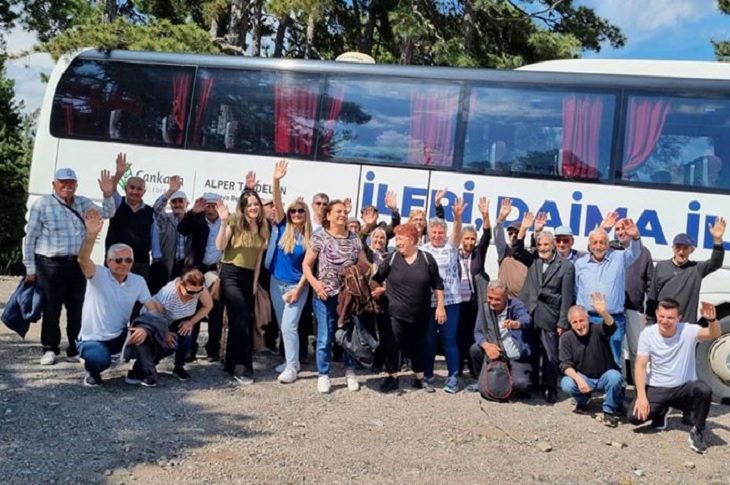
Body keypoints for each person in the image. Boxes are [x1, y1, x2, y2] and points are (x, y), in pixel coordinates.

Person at [23, 167, 116, 365]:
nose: (67, 186)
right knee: (51, 307)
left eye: (71, 183)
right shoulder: (42, 204)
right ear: (54, 185)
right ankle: (50, 348)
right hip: (50, 264)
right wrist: (30, 268)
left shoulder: (83, 203)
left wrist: (108, 194)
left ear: (76, 185)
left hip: (77, 263)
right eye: (62, 182)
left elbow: (108, 212)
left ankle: (75, 348)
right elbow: (30, 238)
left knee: (78, 307)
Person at [629, 299, 722, 454]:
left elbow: (714, 333)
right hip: (657, 387)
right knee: (634, 418)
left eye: (670, 318)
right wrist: (641, 396)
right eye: (662, 316)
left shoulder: (688, 330)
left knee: (704, 390)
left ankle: (698, 431)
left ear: (678, 318)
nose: (665, 321)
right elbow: (640, 365)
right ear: (657, 314)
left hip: (682, 389)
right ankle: (661, 410)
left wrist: (712, 320)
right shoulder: (647, 334)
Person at [75, 209, 156, 387]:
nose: (124, 264)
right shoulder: (98, 274)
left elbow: (153, 308)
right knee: (99, 359)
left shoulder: (138, 281)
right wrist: (90, 235)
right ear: (108, 262)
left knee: (155, 337)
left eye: (128, 260)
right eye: (118, 260)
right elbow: (82, 260)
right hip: (93, 338)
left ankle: (137, 371)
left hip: (120, 336)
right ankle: (92, 370)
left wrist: (150, 328)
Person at [372, 223, 445, 393]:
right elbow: (376, 278)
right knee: (392, 343)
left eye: (400, 239)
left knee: (418, 346)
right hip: (394, 313)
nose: (397, 243)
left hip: (420, 314)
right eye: (396, 239)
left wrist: (440, 307)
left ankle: (419, 378)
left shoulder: (427, 259)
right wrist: (375, 291)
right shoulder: (391, 258)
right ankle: (392, 377)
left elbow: (438, 285)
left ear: (412, 240)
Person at [513, 212, 575, 404]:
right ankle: (531, 385)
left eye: (546, 244)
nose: (542, 248)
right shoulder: (534, 259)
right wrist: (524, 229)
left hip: (550, 315)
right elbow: (516, 251)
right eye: (539, 245)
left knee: (550, 355)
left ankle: (550, 389)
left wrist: (562, 322)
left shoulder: (565, 267)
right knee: (530, 350)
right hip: (529, 312)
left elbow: (566, 296)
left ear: (554, 245)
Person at [303, 199, 363, 394]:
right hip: (324, 295)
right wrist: (315, 284)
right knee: (325, 336)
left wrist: (358, 273)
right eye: (338, 212)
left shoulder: (354, 239)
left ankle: (350, 372)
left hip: (348, 297)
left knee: (348, 335)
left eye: (345, 212)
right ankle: (323, 375)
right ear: (328, 216)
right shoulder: (319, 237)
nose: (342, 215)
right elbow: (307, 265)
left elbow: (364, 264)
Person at [216, 183, 269, 385]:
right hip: (230, 274)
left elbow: (258, 260)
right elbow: (220, 246)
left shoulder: (263, 227)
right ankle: (243, 368)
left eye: (256, 204)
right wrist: (222, 223)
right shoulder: (234, 221)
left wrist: (255, 283)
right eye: (250, 205)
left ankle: (230, 364)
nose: (254, 208)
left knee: (242, 320)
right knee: (241, 321)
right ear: (243, 207)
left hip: (248, 278)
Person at [573, 219, 641, 366]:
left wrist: (635, 237)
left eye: (602, 242)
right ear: (589, 245)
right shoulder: (580, 264)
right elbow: (576, 289)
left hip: (613, 319)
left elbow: (634, 253)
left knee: (614, 358)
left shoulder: (619, 257)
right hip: (588, 319)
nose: (598, 246)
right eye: (595, 243)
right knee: (588, 358)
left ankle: (614, 388)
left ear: (608, 244)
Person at [127, 268, 213, 384]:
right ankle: (143, 368)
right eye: (191, 292)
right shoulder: (169, 293)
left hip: (175, 319)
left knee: (186, 333)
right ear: (181, 284)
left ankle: (179, 367)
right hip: (153, 319)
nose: (194, 296)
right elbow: (156, 314)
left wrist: (191, 322)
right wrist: (165, 332)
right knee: (164, 343)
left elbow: (208, 306)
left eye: (198, 292)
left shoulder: (200, 290)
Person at [268, 160, 312, 384]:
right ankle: (290, 362)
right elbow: (276, 200)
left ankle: (292, 369)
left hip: (297, 286)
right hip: (276, 282)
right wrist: (276, 179)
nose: (296, 213)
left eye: (300, 211)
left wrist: (298, 290)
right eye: (293, 210)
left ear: (306, 215)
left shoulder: (311, 238)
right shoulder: (283, 226)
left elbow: (309, 268)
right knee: (283, 325)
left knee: (289, 326)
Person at [421, 197, 465, 393]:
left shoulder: (451, 247)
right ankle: (428, 375)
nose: (438, 235)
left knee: (449, 339)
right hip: (428, 303)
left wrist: (457, 218)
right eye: (434, 232)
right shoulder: (423, 249)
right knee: (429, 340)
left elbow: (457, 233)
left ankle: (453, 375)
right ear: (429, 233)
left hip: (451, 301)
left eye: (441, 232)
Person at [559, 295, 624, 427]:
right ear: (570, 323)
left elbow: (612, 327)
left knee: (615, 377)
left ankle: (609, 410)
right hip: (584, 377)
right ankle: (583, 402)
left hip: (604, 376)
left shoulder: (598, 329)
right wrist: (579, 380)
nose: (579, 325)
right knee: (566, 383)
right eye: (575, 322)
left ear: (588, 318)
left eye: (582, 320)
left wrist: (604, 313)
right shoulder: (566, 338)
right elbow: (565, 364)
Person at [646, 218, 726, 324]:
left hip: (685, 327)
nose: (681, 252)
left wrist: (718, 240)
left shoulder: (696, 268)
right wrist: (651, 321)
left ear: (691, 250)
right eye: (678, 247)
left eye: (685, 248)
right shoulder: (661, 266)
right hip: (663, 325)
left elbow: (716, 262)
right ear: (673, 248)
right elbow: (652, 295)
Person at [177, 192, 225, 362]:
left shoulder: (225, 221)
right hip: (197, 269)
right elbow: (181, 229)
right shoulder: (197, 219)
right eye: (208, 206)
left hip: (216, 270)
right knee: (193, 307)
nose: (211, 209)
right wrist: (193, 212)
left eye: (214, 206)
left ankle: (213, 348)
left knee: (215, 308)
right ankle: (190, 347)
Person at [605, 211, 654, 371]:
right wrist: (604, 229)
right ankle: (621, 384)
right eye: (617, 229)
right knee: (616, 348)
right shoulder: (609, 250)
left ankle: (643, 386)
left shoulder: (643, 252)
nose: (620, 232)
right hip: (613, 309)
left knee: (637, 349)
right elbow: (592, 247)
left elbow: (650, 282)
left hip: (635, 309)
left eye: (624, 229)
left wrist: (650, 311)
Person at [468, 279, 533, 396]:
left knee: (522, 384)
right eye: (490, 298)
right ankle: (482, 380)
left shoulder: (515, 305)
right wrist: (486, 345)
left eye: (497, 299)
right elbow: (478, 332)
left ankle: (505, 381)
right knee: (475, 349)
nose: (492, 302)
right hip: (495, 354)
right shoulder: (485, 308)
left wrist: (517, 324)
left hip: (514, 357)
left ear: (505, 297)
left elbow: (526, 319)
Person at [106, 153, 161, 282]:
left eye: (139, 189)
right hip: (116, 261)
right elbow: (111, 189)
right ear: (125, 189)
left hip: (140, 262)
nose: (135, 192)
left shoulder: (149, 211)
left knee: (137, 298)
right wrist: (119, 173)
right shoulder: (118, 203)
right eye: (132, 188)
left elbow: (154, 235)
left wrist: (157, 257)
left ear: (144, 192)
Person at [456, 197, 491, 378]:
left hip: (474, 302)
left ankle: (473, 366)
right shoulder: (454, 254)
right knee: (458, 335)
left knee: (473, 334)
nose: (470, 242)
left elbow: (487, 235)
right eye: (467, 238)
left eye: (472, 239)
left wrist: (485, 215)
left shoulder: (478, 253)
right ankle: (458, 366)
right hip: (458, 302)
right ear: (461, 239)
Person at [152, 175, 189, 281]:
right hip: (165, 265)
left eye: (180, 201)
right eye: (174, 201)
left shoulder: (191, 221)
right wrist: (170, 192)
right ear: (170, 204)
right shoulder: (165, 219)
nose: (177, 204)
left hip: (185, 267)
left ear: (187, 203)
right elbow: (157, 208)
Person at [493, 197, 528, 299]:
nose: (513, 235)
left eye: (516, 233)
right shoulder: (504, 250)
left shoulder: (528, 254)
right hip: (505, 300)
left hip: (524, 301)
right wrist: (500, 219)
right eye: (510, 233)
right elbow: (498, 236)